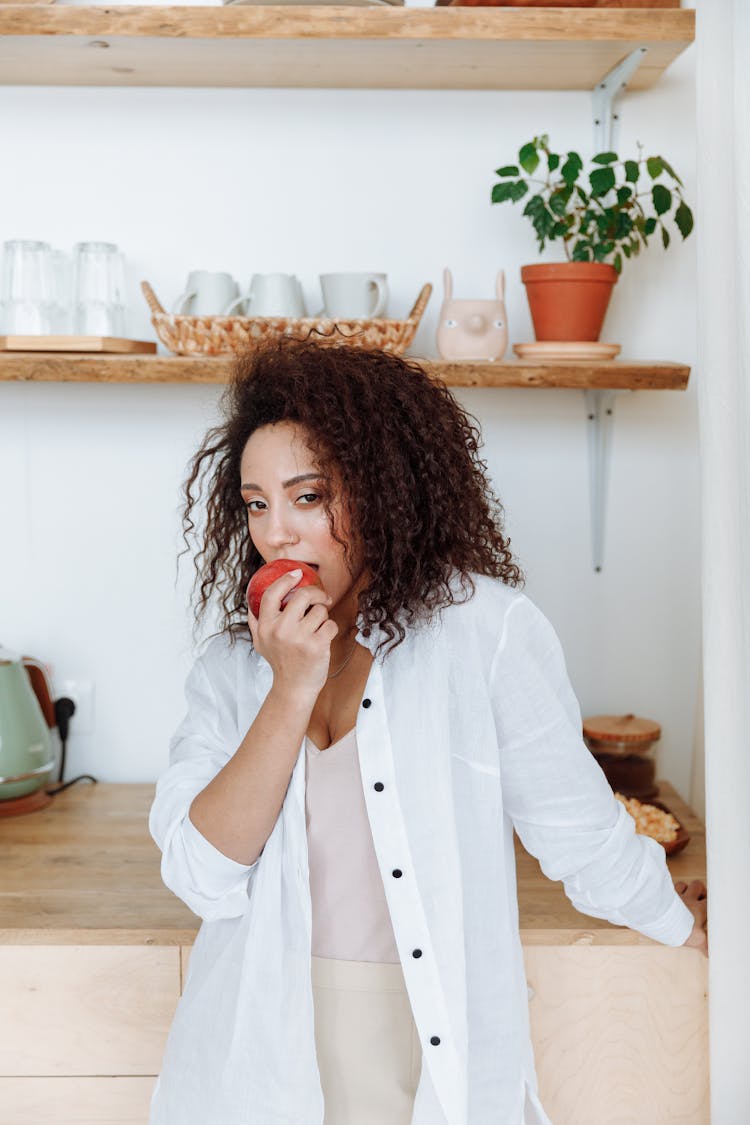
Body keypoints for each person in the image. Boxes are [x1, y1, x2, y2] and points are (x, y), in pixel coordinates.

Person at [148, 337, 708, 1125]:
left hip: (429, 1039)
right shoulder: (234, 667)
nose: (276, 534)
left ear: (381, 488)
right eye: (256, 503)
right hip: (262, 1046)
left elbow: (576, 828)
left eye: (308, 497)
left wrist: (677, 917)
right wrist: (289, 686)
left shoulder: (486, 632)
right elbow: (200, 876)